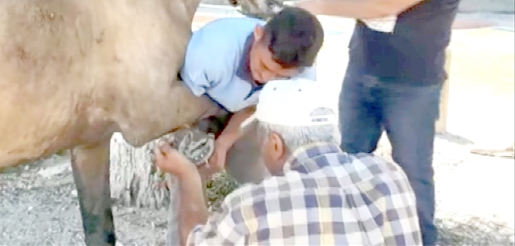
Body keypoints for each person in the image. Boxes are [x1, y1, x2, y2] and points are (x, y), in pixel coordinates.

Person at [241, 0, 478, 245]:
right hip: (362, 67)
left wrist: (315, 5)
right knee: (346, 167)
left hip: (412, 84)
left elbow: (386, 3)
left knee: (413, 178)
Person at [155, 77, 422, 246]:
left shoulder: (253, 206)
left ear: (275, 144)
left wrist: (188, 176)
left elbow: (193, 243)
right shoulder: (389, 176)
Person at [178, 7, 324, 179]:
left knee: (263, 170)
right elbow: (182, 102)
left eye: (279, 76)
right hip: (199, 102)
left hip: (249, 112)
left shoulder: (302, 79)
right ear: (258, 34)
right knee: (187, 160)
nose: (266, 78)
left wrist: (226, 139)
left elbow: (259, 107)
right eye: (264, 65)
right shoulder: (210, 53)